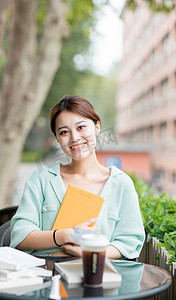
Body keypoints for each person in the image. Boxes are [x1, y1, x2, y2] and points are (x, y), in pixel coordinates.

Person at [10, 95, 145, 259]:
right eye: (64, 132)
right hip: (44, 275)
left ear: (97, 127)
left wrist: (92, 253)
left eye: (81, 127)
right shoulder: (41, 179)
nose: (74, 138)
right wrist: (62, 236)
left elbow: (130, 243)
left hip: (96, 275)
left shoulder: (121, 184)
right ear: (57, 139)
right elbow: (20, 235)